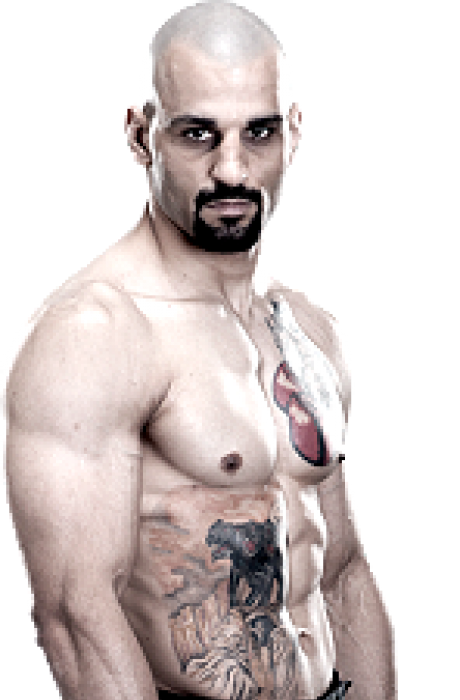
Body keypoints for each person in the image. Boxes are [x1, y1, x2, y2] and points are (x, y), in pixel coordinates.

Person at [2, 1, 397, 698]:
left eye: (259, 133)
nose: (232, 169)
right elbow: (76, 617)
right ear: (140, 135)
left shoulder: (309, 330)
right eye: (197, 135)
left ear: (294, 133)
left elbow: (340, 571)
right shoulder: (96, 332)